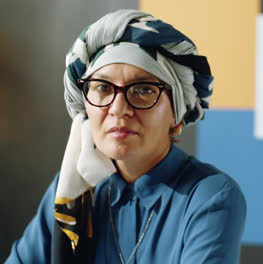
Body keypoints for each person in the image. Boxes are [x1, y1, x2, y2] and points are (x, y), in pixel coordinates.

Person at [6, 9, 246, 264]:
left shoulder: (208, 196)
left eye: (143, 89)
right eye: (102, 87)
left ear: (175, 118)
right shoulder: (72, 190)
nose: (119, 108)